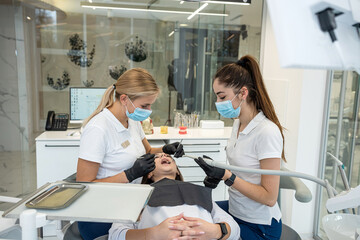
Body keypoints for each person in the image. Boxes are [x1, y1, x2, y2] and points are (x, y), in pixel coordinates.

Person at [75, 68, 185, 240]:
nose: (149, 110)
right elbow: (84, 185)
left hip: (130, 206)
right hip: (101, 214)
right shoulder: (98, 129)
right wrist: (129, 174)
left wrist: (166, 149)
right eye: (145, 105)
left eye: (150, 104)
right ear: (125, 99)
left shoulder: (132, 119)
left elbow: (147, 151)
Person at [195, 55, 286, 240]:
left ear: (243, 93)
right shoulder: (238, 124)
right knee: (194, 211)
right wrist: (217, 172)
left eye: (222, 97)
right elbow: (245, 171)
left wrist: (228, 176)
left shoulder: (266, 131)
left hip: (259, 226)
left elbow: (269, 198)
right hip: (236, 210)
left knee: (201, 233)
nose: (218, 103)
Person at [109, 153, 240, 240]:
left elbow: (234, 229)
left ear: (177, 170)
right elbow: (115, 235)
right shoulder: (138, 196)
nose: (164, 156)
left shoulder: (197, 191)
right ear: (148, 173)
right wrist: (153, 234)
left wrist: (215, 231)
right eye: (157, 157)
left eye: (167, 155)